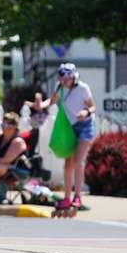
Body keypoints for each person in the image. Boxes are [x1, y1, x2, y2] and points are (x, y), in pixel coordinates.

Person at [28, 63, 96, 214]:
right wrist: (40, 105)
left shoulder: (83, 88)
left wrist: (85, 112)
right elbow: (50, 101)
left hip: (85, 126)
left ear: (73, 78)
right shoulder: (59, 87)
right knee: (68, 164)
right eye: (62, 80)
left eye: (67, 80)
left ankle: (77, 197)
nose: (64, 83)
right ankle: (66, 198)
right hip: (69, 127)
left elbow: (92, 107)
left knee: (78, 162)